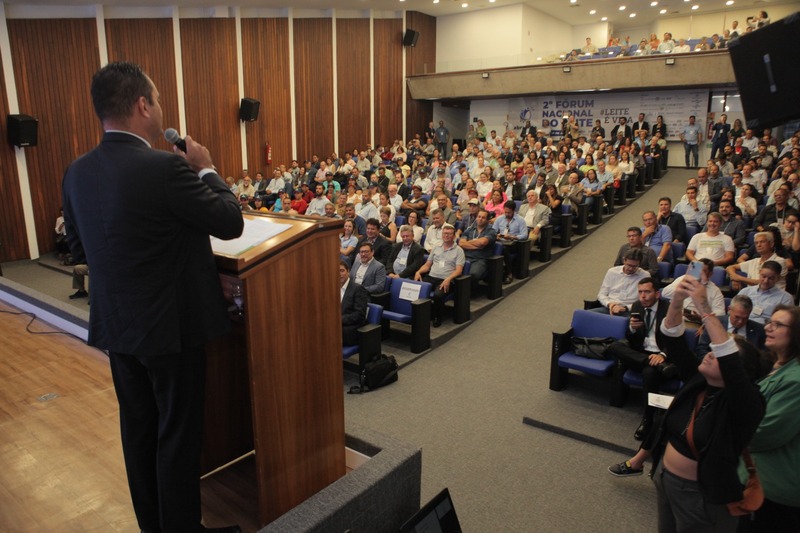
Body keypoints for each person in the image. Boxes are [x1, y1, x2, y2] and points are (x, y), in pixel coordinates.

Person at [62, 62, 243, 533]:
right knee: (177, 438)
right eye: (157, 99)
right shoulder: (165, 167)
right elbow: (229, 220)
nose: (160, 107)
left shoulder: (76, 173)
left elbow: (81, 252)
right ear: (142, 105)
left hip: (119, 330)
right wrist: (206, 167)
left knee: (139, 434)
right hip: (172, 330)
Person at [609, 277, 765, 533]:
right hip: (665, 478)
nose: (710, 353)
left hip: (701, 495)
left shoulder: (746, 403)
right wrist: (678, 300)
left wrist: (705, 308)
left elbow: (728, 357)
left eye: (718, 354)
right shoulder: (699, 379)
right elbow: (673, 337)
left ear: (736, 370)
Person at [740, 305, 800, 531]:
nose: (769, 328)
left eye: (778, 324)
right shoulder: (774, 364)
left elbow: (765, 433)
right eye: (769, 322)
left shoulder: (796, 379)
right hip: (754, 474)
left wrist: (728, 431)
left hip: (774, 486)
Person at [606, 278, 676, 440]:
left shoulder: (669, 310)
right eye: (640, 292)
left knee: (649, 373)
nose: (642, 296)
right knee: (614, 346)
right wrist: (632, 328)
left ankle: (648, 419)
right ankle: (652, 364)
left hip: (660, 355)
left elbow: (675, 340)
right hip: (642, 353)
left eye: (647, 292)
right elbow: (631, 339)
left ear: (657, 294)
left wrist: (662, 356)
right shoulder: (637, 306)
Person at [415, 224, 466, 328]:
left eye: (449, 234)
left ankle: (437, 317)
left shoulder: (459, 251)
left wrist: (449, 278)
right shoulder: (436, 247)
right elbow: (427, 265)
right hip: (431, 277)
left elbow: (459, 271)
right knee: (417, 288)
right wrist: (418, 272)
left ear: (453, 236)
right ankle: (422, 314)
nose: (446, 236)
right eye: (444, 233)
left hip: (445, 279)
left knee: (438, 295)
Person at [694, 294, 765, 359]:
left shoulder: (759, 330)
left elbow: (762, 357)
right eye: (737, 317)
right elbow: (701, 349)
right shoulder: (714, 323)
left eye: (745, 318)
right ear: (729, 310)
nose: (740, 321)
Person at [594, 249, 649, 315]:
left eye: (634, 266)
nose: (631, 268)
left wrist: (626, 308)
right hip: (610, 307)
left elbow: (644, 299)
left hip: (630, 310)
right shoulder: (612, 272)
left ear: (639, 264)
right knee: (583, 316)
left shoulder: (644, 275)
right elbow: (601, 294)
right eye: (629, 265)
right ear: (624, 261)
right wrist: (610, 304)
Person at [340, 260, 368, 346]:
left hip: (350, 328)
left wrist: (339, 320)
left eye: (342, 270)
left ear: (348, 272)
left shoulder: (358, 289)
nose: (339, 274)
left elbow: (359, 315)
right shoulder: (332, 288)